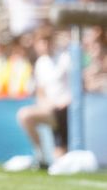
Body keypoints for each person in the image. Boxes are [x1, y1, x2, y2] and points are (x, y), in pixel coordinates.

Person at [16, 31, 71, 169]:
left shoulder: (65, 58)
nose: (44, 46)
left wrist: (64, 102)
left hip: (66, 110)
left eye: (47, 42)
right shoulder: (41, 63)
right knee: (25, 115)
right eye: (41, 43)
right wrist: (46, 104)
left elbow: (75, 87)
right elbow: (41, 93)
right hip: (52, 110)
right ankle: (41, 155)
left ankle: (53, 153)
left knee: (62, 159)